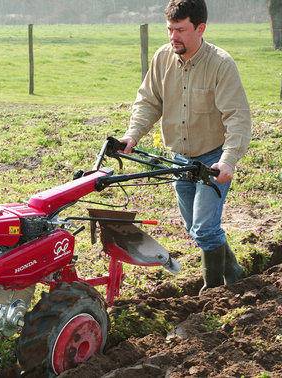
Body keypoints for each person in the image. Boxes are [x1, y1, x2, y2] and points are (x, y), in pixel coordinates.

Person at [118, 0, 252, 294]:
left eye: (180, 29)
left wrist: (229, 160)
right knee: (198, 229)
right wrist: (132, 135)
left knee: (204, 229)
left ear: (200, 28)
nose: (172, 36)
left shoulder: (221, 64)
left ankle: (213, 290)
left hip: (213, 159)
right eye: (169, 29)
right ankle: (236, 273)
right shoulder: (162, 58)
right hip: (180, 160)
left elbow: (237, 117)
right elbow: (148, 101)